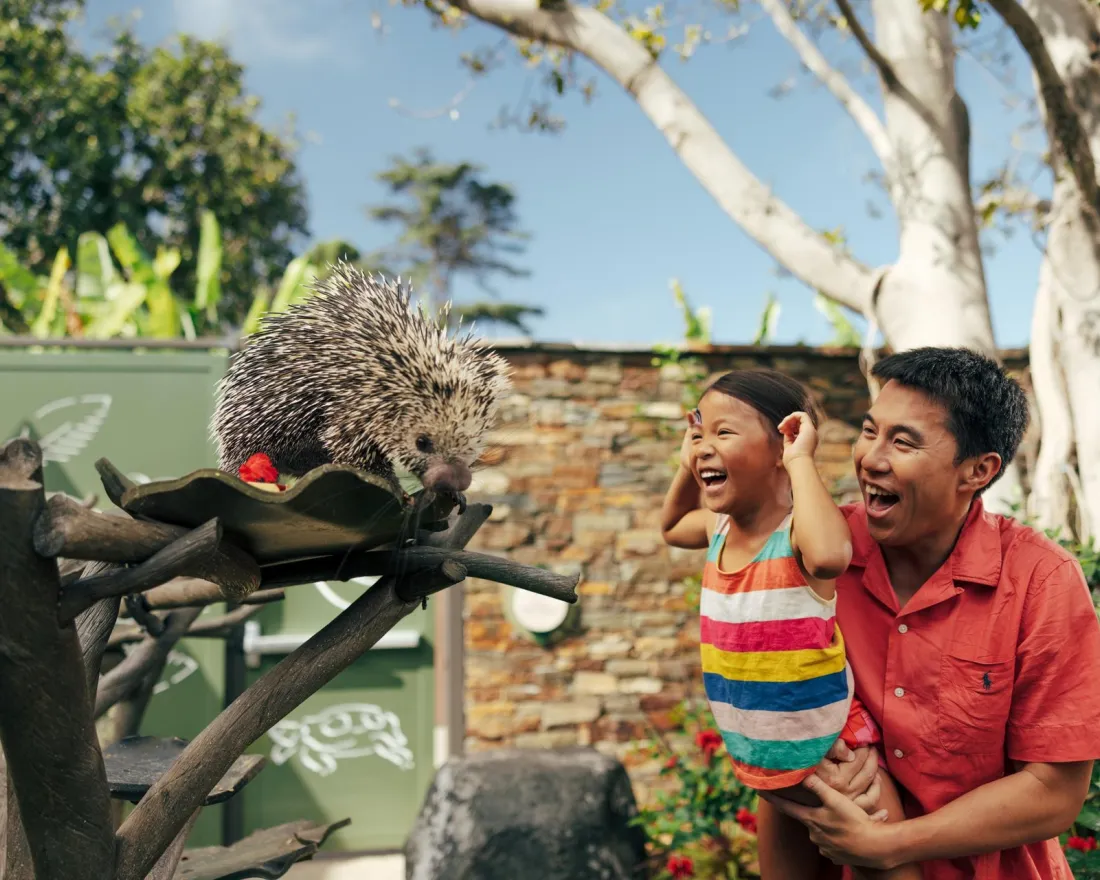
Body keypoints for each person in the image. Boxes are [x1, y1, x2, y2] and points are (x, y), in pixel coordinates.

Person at [747, 347, 1100, 879]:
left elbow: (1054, 792)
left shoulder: (1040, 580)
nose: (871, 458)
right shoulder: (812, 553)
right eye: (870, 432)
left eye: (903, 441)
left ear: (977, 471)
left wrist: (892, 843)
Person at [660, 368, 921, 880]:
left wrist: (800, 459)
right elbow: (670, 527)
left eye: (723, 432)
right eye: (700, 433)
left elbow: (829, 556)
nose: (704, 447)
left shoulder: (797, 533)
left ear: (782, 443)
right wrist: (686, 453)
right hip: (769, 770)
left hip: (835, 758)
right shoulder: (718, 528)